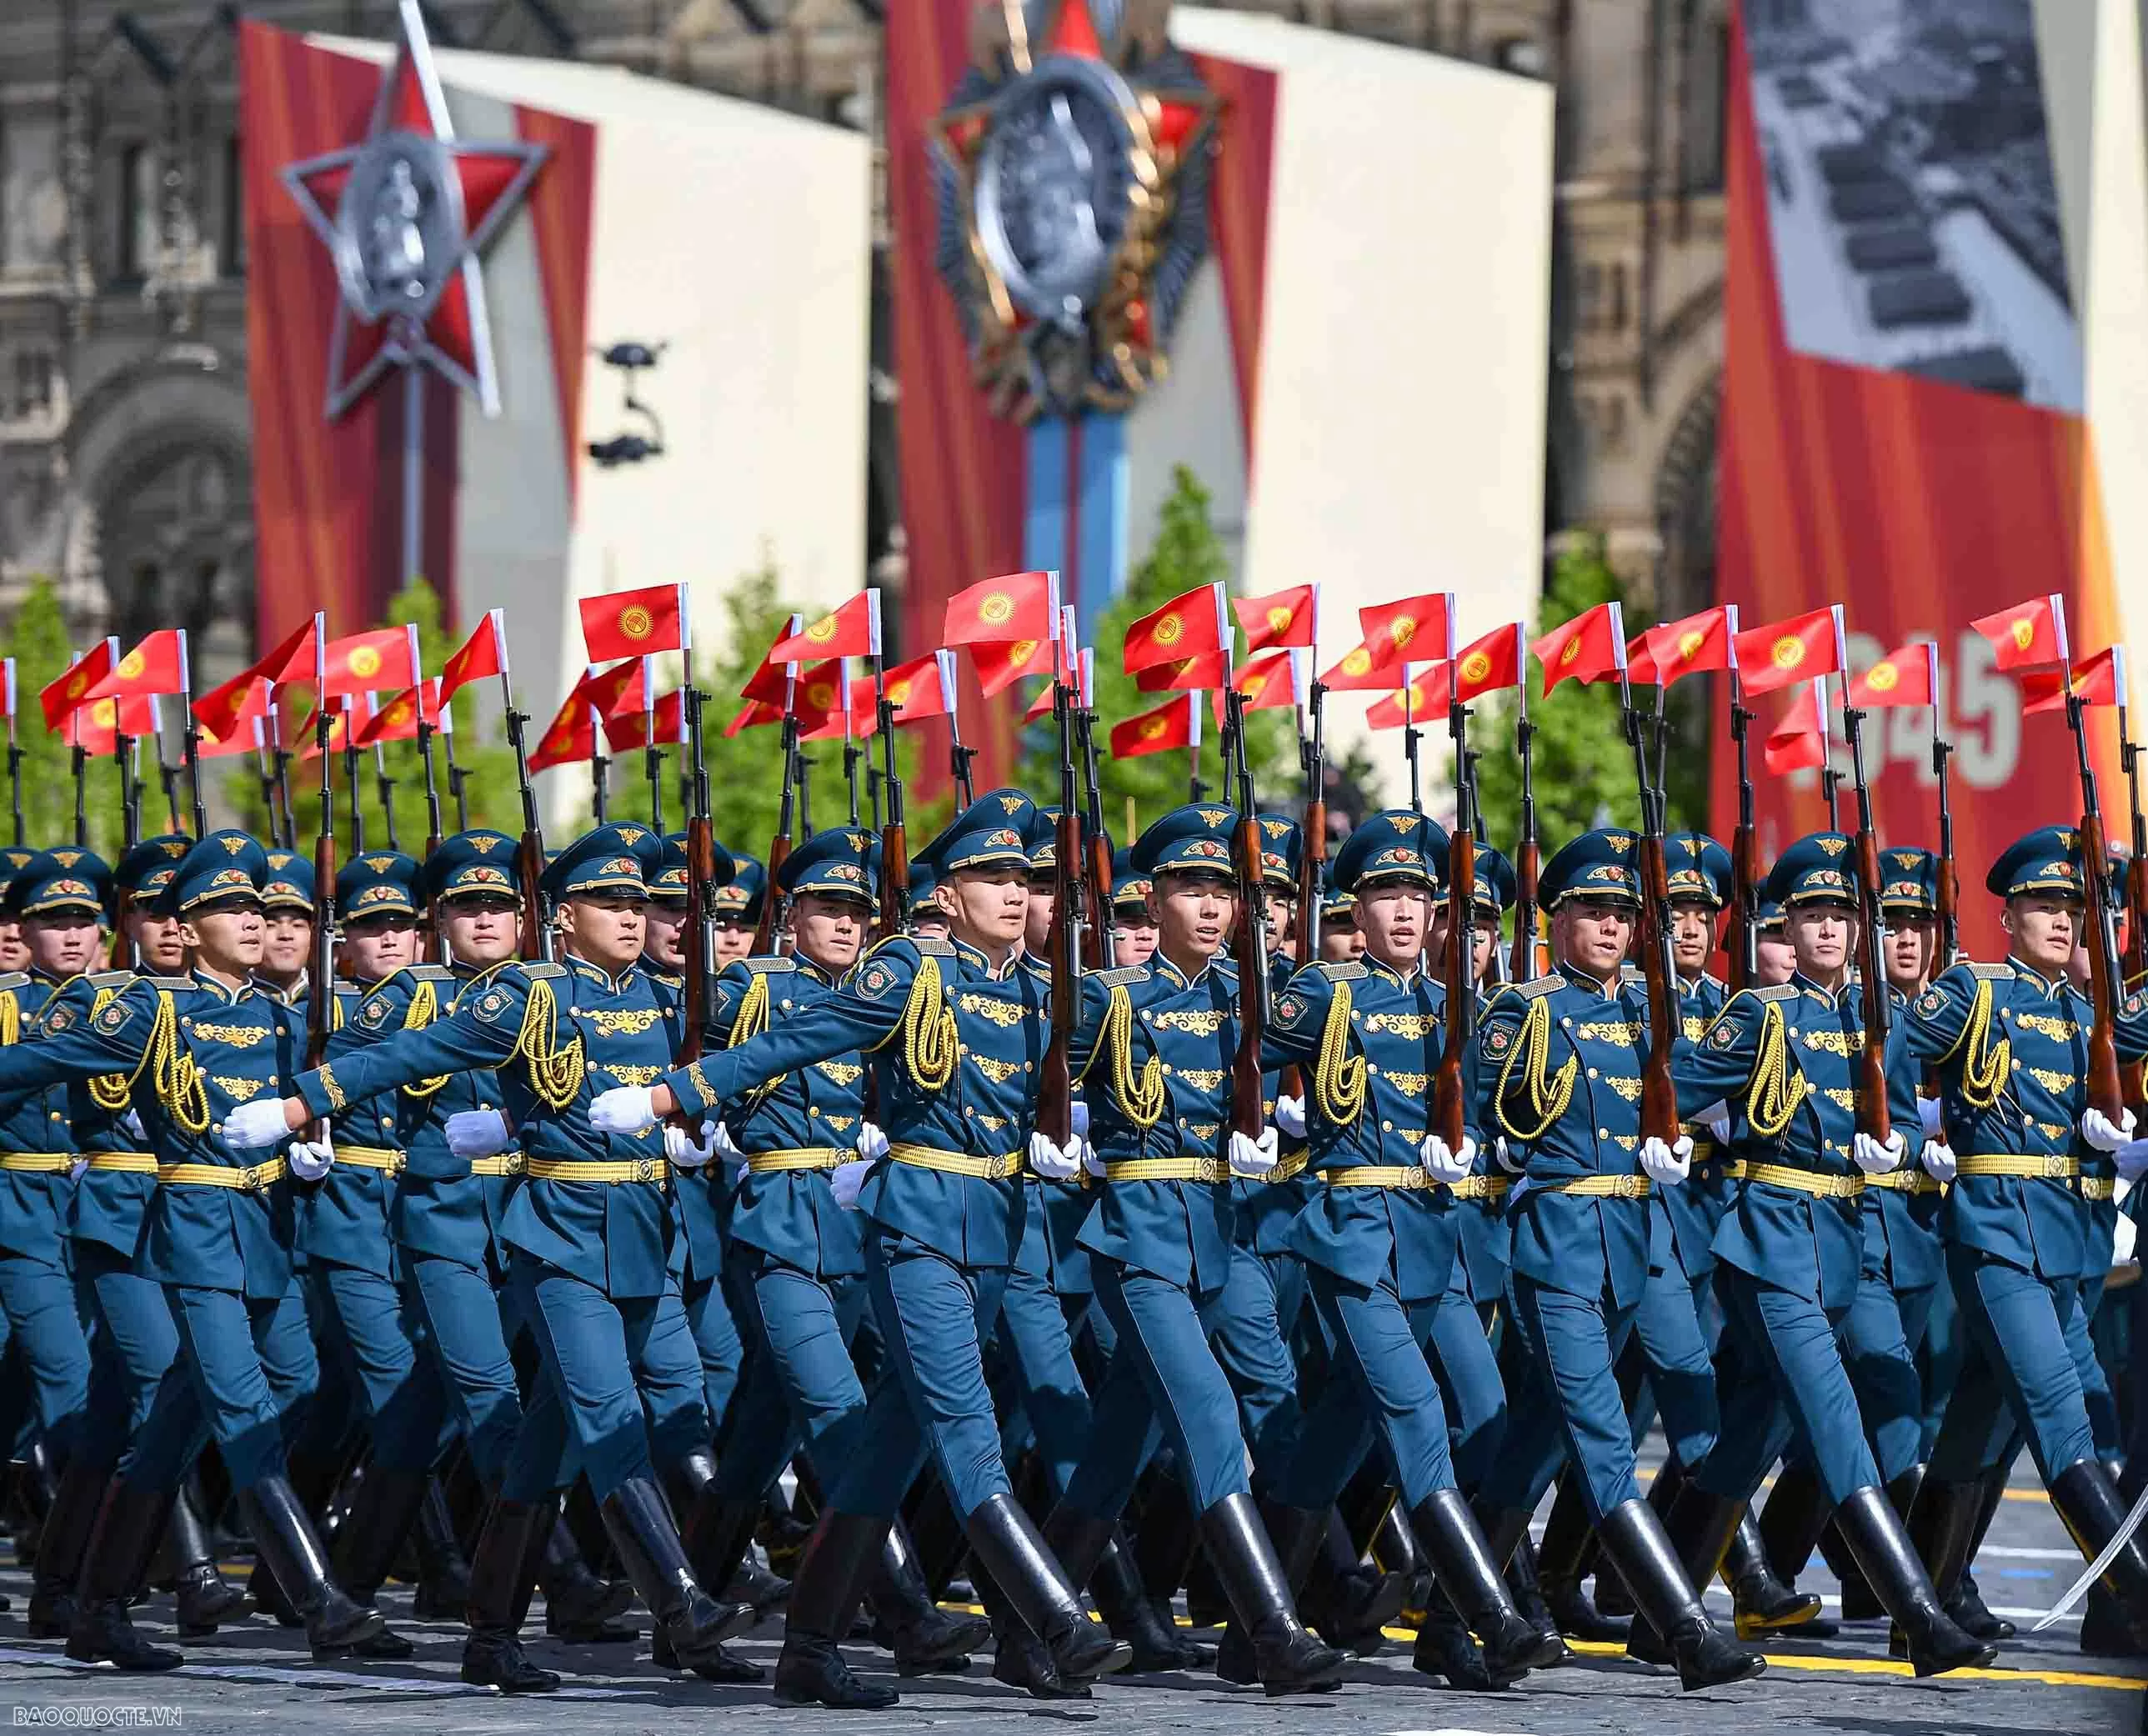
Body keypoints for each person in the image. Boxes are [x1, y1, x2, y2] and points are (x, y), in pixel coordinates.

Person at [590, 792, 1130, 1702]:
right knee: (965, 1427)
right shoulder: (909, 975)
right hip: (915, 1224)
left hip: (994, 1227)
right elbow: (797, 1041)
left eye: (1022, 878)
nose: (1011, 893)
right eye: (988, 878)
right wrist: (671, 1099)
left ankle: (808, 1647)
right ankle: (1056, 1618)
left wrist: (1084, 1132)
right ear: (945, 896)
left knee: (883, 1448)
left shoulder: (1044, 992)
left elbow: (1112, 1080)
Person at [224, 823, 756, 1682]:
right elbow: (408, 1053)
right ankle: (684, 1603)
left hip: (643, 1234)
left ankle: (491, 1634)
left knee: (551, 1439)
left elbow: (773, 1040)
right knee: (607, 1413)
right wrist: (300, 1110)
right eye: (611, 901)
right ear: (562, 912)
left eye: (641, 901)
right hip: (561, 1236)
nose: (633, 915)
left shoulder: (669, 998)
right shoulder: (528, 994)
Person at [0, 831, 401, 1669]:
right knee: (242, 1401)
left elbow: (367, 1062)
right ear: (185, 924)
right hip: (191, 1229)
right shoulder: (151, 1010)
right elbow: (31, 1063)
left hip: (264, 1232)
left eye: (257, 905)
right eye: (230, 907)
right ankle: (320, 1597)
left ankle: (99, 1605)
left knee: (190, 1412)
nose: (253, 919)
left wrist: (309, 1138)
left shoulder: (281, 1014)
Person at [676, 828, 989, 1705]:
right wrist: (706, 1126)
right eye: (828, 907)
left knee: (757, 1439)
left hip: (854, 1228)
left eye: (859, 909)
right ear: (791, 914)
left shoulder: (892, 993)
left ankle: (685, 1609)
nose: (847, 924)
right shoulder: (752, 986)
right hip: (777, 1222)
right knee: (840, 1413)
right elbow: (706, 1063)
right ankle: (903, 1615)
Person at [1039, 803, 1344, 1695]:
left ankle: (1032, 1629)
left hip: (1225, 1234)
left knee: (1125, 1444)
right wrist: (1064, 1125)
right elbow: (1029, 1072)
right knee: (1210, 1414)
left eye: (1222, 892)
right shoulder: (1109, 997)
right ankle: (1273, 1631)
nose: (1209, 908)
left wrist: (1291, 1117)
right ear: (1154, 897)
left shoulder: (1251, 999)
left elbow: (1343, 1056)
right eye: (1190, 890)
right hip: (1138, 1235)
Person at [1670, 833, 1991, 1677]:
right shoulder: (1760, 1011)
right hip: (1769, 1238)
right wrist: (1711, 1123)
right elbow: (1673, 1082)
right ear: (1788, 923)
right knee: (1834, 1419)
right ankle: (1920, 1616)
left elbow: (1952, 1081)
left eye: (1841, 913)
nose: (1826, 928)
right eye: (1811, 913)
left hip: (1843, 1243)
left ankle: (1654, 1605)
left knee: (1749, 1433)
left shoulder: (1877, 1019)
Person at [1262, 811, 1558, 1691]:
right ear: (1356, 905)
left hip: (1436, 1245)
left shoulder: (1453, 1007)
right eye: (1386, 893)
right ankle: (1488, 1618)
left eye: (1418, 895)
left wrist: (1501, 1149)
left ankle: (1259, 1621)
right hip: (1352, 1239)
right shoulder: (1323, 990)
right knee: (1418, 1417)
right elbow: (1227, 1051)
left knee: (1435, 1418)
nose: (1403, 910)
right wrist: (1249, 1122)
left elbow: (1527, 1105)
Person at [1470, 829, 1763, 1692]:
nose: (1609, 926)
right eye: (1592, 910)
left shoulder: (1652, 1008)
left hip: (1632, 1248)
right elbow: (1483, 1114)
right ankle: (1684, 1629)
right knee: (1601, 1437)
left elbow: (1712, 1088)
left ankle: (1453, 1618)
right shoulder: (1523, 1010)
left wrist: (1703, 1128)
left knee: (1533, 1446)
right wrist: (1506, 1152)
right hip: (1556, 1247)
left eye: (1622, 913)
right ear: (1558, 919)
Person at [1902, 827, 2148, 1651]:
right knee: (2059, 1414)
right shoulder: (1975, 993)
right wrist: (1917, 1131)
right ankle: (2138, 1595)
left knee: (1984, 1418)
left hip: (2072, 1240)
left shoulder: (2090, 1014)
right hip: (1999, 1231)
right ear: (2008, 915)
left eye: (2075, 906)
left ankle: (1926, 1605)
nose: (2062, 920)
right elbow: (1880, 1059)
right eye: (2045, 904)